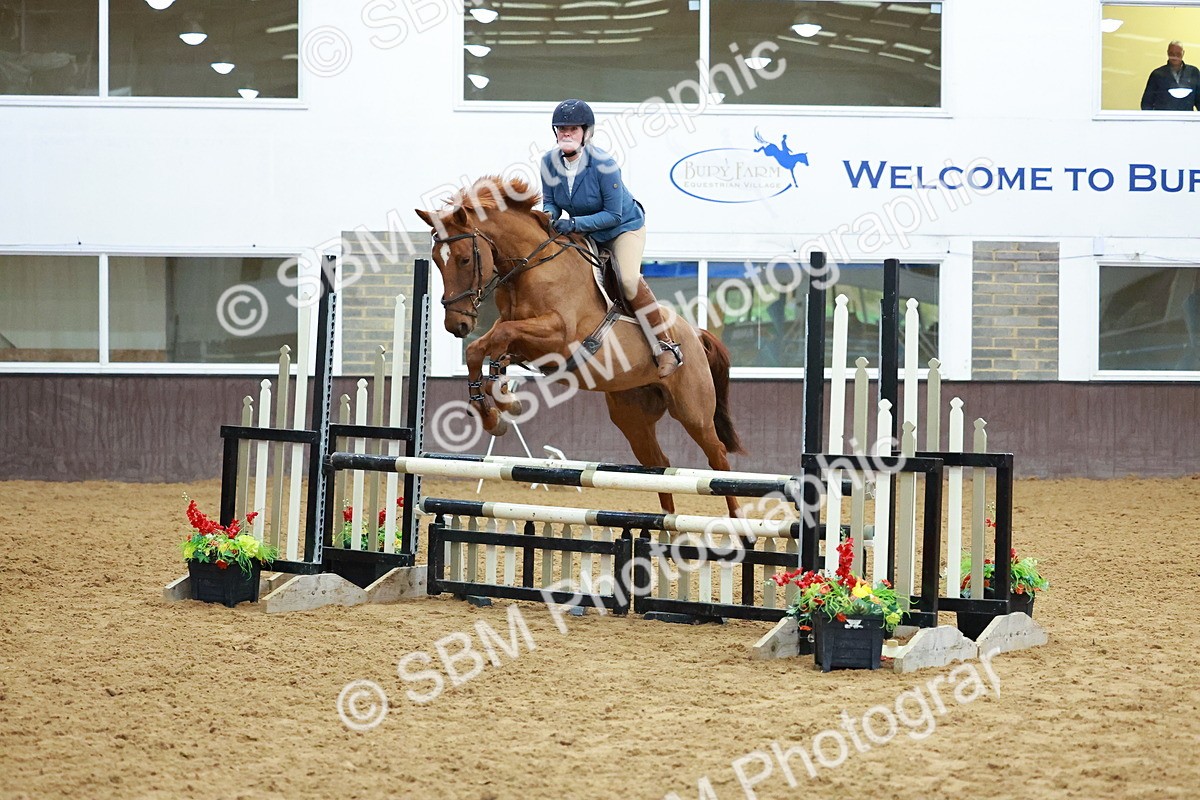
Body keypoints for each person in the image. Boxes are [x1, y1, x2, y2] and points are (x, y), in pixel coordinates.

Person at [539, 98, 683, 378]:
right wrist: (548, 217)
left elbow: (614, 215)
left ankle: (666, 345)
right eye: (561, 129)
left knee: (628, 279)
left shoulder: (604, 164)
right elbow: (550, 201)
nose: (566, 133)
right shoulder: (549, 162)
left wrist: (574, 224)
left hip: (622, 228)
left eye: (573, 129)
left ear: (586, 132)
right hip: (581, 230)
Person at [1140, 41, 1200, 111]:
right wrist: (1152, 120)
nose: (1175, 57)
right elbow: (1146, 103)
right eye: (1172, 54)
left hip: (1186, 118)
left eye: (1178, 54)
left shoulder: (1193, 72)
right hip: (1164, 119)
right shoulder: (1157, 74)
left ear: (1183, 53)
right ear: (1167, 53)